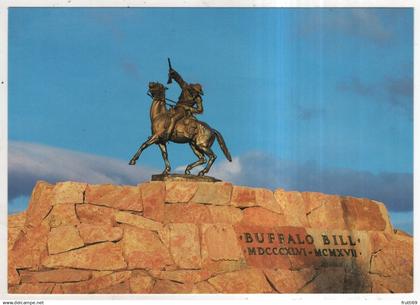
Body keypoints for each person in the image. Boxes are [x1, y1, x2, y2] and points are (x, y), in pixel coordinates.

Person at [165, 68, 204, 139]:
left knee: (173, 119)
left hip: (184, 111)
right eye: (196, 91)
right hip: (176, 107)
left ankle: (168, 134)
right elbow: (179, 80)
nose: (196, 93)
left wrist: (188, 108)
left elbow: (200, 110)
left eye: (198, 92)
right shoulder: (185, 87)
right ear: (192, 89)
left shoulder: (198, 99)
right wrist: (174, 73)